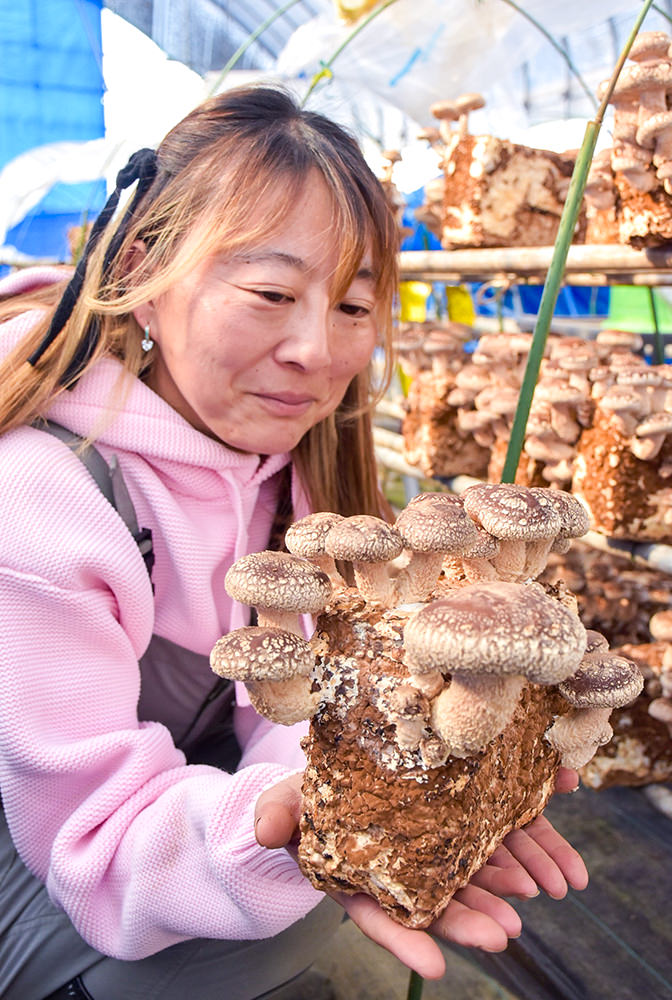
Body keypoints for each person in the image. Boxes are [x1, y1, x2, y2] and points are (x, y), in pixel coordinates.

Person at [0, 83, 588, 1000]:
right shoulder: (43, 493)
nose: (317, 350)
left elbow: (296, 717)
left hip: (188, 820)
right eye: (271, 292)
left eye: (354, 309)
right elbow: (96, 846)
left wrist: (369, 796)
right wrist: (309, 832)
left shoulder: (296, 479)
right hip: (49, 873)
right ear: (147, 272)